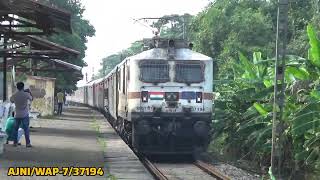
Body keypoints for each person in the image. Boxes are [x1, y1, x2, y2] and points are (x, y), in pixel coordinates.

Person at [10, 82, 33, 147]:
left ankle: (15, 142)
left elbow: (11, 100)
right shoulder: (26, 94)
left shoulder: (14, 95)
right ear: (23, 87)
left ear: (17, 87)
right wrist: (29, 92)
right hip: (25, 114)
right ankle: (28, 143)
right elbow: (31, 99)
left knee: (15, 129)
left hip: (17, 114)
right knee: (26, 129)